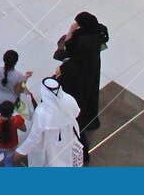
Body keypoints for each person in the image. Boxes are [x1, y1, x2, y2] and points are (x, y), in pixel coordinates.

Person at [54, 12, 108, 141]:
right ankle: (90, 115)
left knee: (78, 92)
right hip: (92, 66)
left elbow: (68, 46)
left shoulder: (80, 37)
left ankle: (77, 117)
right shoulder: (99, 30)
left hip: (79, 69)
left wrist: (71, 30)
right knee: (90, 90)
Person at [20, 75, 84, 166]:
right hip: (68, 137)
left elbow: (34, 137)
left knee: (52, 161)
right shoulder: (69, 99)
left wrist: (21, 151)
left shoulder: (41, 112)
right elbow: (77, 113)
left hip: (50, 144)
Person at [0, 101, 28, 168]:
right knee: (8, 161)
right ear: (12, 112)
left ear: (0, 112)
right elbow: (24, 129)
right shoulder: (17, 119)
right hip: (12, 146)